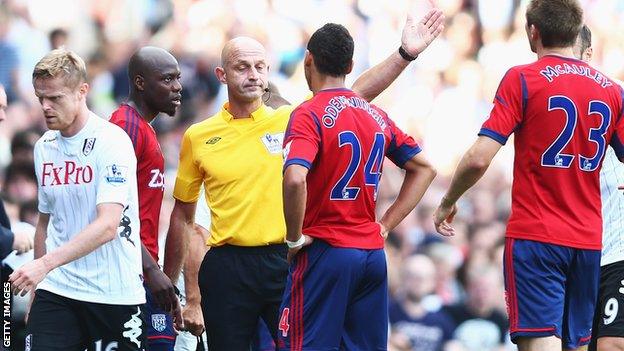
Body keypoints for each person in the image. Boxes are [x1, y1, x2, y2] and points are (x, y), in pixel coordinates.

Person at [163, 8, 444, 351]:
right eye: (242, 67)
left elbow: (350, 95)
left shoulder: (293, 117)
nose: (253, 75)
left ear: (269, 71)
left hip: (285, 256)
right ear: (222, 74)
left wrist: (404, 56)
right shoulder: (199, 135)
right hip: (228, 264)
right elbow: (184, 217)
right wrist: (185, 292)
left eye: (260, 66)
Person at [432, 1, 624, 350]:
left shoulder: (523, 78)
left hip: (537, 236)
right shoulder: (612, 90)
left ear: (533, 33)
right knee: (577, 345)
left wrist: (448, 199)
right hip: (588, 241)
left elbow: (479, 158)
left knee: (540, 344)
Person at [280, 23, 438, 350]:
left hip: (326, 251)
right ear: (350, 66)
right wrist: (386, 225)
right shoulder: (374, 115)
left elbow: (295, 177)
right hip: (372, 255)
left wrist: (294, 237)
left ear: (308, 60)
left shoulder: (307, 114)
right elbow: (424, 168)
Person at [8, 48, 146, 350]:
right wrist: (39, 288)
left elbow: (108, 225)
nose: (45, 106)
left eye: (55, 98)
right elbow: (45, 221)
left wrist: (43, 264)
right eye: (40, 97)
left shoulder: (112, 142)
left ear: (82, 91)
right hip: (58, 292)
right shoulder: (43, 146)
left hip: (113, 292)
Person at [108, 46, 184, 350]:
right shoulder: (125, 127)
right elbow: (112, 211)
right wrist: (151, 271)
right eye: (167, 79)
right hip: (129, 276)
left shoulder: (144, 128)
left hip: (144, 270)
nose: (177, 87)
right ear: (140, 83)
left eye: (177, 78)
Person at [577, 25, 624, 351]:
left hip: (615, 248)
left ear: (589, 54)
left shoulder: (616, 95)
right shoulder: (542, 96)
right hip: (573, 250)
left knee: (611, 343)